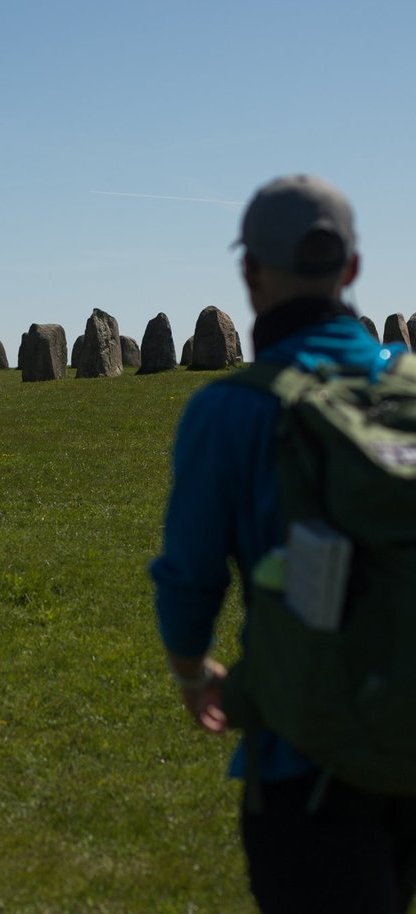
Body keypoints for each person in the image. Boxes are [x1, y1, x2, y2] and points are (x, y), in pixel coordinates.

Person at [150, 175, 416, 914]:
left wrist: (191, 673)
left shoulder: (230, 411)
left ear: (249, 273)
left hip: (307, 756)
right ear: (352, 270)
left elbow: (187, 580)